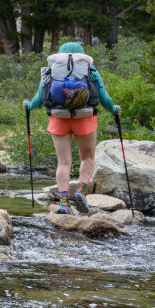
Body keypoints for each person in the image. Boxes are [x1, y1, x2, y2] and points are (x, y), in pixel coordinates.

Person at [23, 41, 120, 215]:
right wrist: (114, 109)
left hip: (58, 119)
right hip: (85, 118)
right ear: (81, 55)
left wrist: (28, 106)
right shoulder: (90, 70)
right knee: (87, 158)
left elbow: (38, 99)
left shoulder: (51, 71)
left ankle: (64, 204)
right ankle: (81, 192)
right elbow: (104, 98)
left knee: (63, 163)